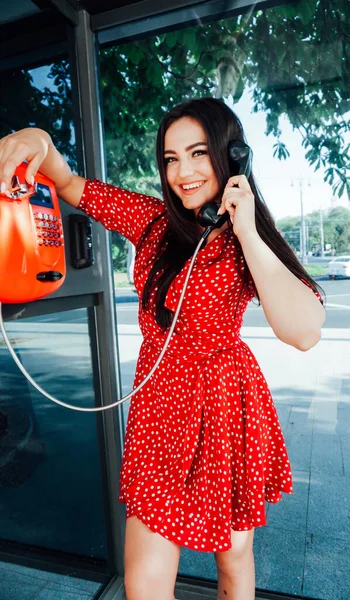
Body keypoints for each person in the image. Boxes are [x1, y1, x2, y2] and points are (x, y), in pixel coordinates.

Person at [0, 97, 326, 600]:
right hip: (160, 410)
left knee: (234, 560)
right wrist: (38, 141)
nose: (183, 172)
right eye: (171, 159)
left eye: (197, 153)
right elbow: (70, 185)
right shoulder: (152, 221)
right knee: (144, 584)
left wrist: (246, 229)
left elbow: (304, 330)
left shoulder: (247, 238)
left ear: (231, 155)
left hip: (224, 405)